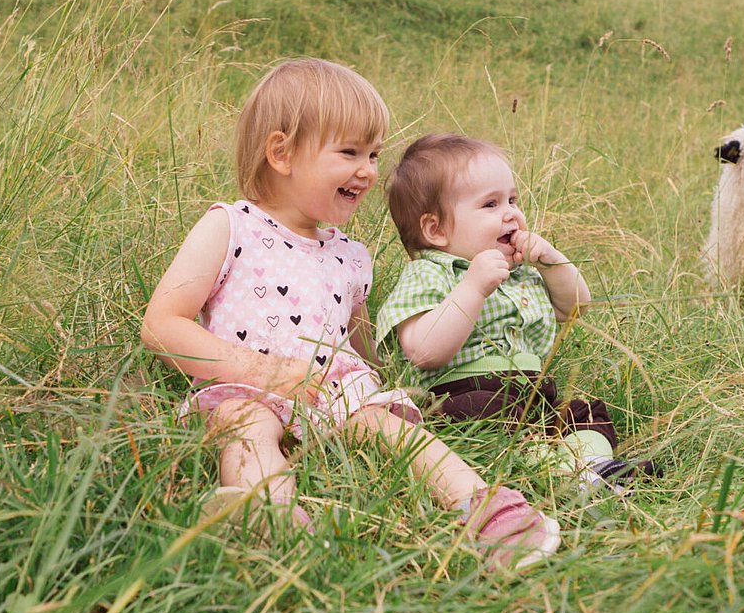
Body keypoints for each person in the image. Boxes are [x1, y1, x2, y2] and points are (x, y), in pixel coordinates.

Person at [140, 60, 558, 570]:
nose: (368, 170)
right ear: (281, 153)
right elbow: (162, 325)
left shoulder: (350, 253)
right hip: (246, 383)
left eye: (374, 153)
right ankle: (269, 514)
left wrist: (383, 382)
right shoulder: (231, 226)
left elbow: (356, 337)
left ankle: (485, 507)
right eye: (350, 152)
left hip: (334, 391)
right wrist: (261, 372)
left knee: (388, 428)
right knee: (241, 424)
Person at [376, 133, 660, 495]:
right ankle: (565, 473)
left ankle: (593, 465)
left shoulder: (520, 271)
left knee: (583, 413)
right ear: (436, 229)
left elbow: (576, 307)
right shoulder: (430, 273)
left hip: (535, 393)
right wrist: (473, 288)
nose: (511, 212)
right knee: (496, 419)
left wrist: (551, 261)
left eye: (512, 199)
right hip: (468, 395)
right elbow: (423, 350)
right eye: (490, 204)